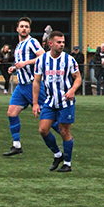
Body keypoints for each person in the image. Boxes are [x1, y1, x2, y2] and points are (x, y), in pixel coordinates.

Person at [3, 17, 58, 157]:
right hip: (21, 86)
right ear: (17, 29)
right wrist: (14, 68)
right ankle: (16, 146)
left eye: (26, 27)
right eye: (21, 26)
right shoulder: (18, 46)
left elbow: (43, 56)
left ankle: (65, 134)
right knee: (11, 113)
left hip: (33, 85)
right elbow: (21, 63)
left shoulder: (32, 42)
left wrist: (26, 63)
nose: (24, 29)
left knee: (47, 116)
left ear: (29, 29)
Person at [32, 31, 82, 172]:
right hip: (50, 101)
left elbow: (78, 78)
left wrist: (72, 90)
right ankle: (57, 154)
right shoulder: (41, 60)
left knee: (64, 131)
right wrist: (35, 103)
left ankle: (67, 163)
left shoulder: (69, 60)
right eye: (58, 42)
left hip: (66, 102)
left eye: (63, 42)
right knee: (43, 130)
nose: (61, 45)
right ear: (50, 43)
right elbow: (36, 82)